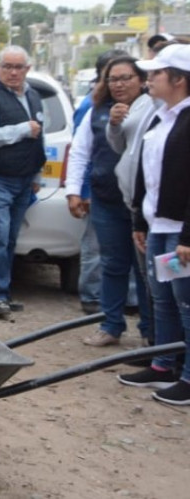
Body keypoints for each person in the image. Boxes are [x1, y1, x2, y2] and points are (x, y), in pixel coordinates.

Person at [118, 44, 190, 406]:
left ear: (178, 79)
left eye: (156, 73)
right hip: (157, 225)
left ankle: (188, 375)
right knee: (162, 298)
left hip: (180, 230)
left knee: (186, 302)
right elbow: (145, 171)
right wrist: (139, 219)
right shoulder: (162, 116)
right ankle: (163, 364)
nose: (149, 79)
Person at [66, 55, 152, 347]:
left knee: (144, 271)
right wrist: (74, 191)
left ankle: (150, 331)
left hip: (143, 206)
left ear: (142, 80)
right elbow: (80, 152)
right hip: (106, 200)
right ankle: (111, 325)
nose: (119, 84)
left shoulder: (154, 109)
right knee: (113, 265)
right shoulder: (97, 110)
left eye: (126, 78)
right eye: (113, 79)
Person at [0, 46, 46, 319]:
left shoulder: (33, 95)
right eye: (7, 66)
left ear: (27, 69)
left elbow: (40, 137)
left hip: (24, 178)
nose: (13, 72)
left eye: (18, 67)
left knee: (10, 239)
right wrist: (22, 129)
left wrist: (37, 175)